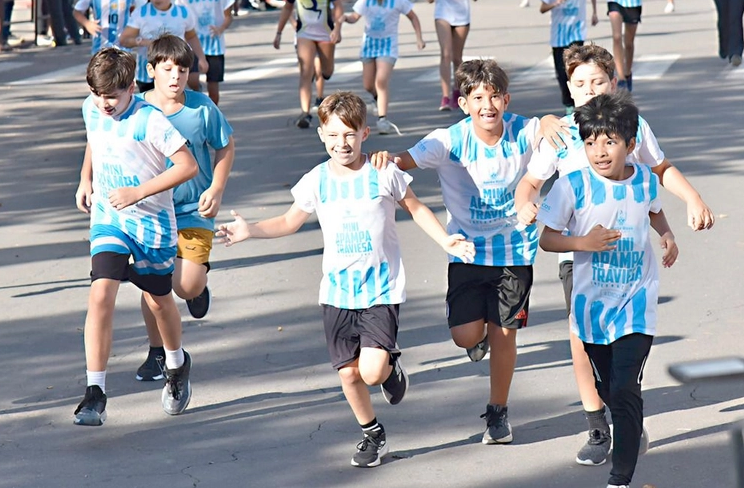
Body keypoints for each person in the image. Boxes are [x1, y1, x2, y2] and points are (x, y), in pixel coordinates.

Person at [216, 92, 474, 467]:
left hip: (380, 289)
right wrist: (250, 230)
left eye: (350, 134)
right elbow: (289, 221)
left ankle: (389, 367)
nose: (342, 143)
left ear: (365, 133)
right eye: (334, 135)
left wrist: (445, 239)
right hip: (336, 293)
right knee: (350, 375)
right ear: (322, 134)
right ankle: (372, 433)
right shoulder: (317, 180)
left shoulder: (383, 172)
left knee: (371, 371)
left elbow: (416, 208)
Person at [514, 43, 713, 467]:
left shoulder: (629, 125)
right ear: (569, 88)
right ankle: (597, 426)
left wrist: (692, 199)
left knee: (624, 341)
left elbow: (659, 170)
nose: (589, 90)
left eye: (598, 82)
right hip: (577, 253)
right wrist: (524, 204)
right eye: (580, 83)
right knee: (582, 340)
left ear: (614, 83)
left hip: (627, 256)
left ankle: (626, 414)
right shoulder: (560, 132)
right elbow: (529, 183)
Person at [381, 60, 547, 445]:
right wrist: (382, 159)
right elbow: (403, 160)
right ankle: (477, 338)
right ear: (463, 103)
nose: (487, 105)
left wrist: (553, 120)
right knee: (464, 335)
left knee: (505, 334)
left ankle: (498, 412)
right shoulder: (449, 140)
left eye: (495, 97)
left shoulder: (523, 130)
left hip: (514, 251)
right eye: (478, 98)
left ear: (506, 100)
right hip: (466, 251)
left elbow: (550, 127)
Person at [538, 92, 678, 488]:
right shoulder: (572, 186)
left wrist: (667, 235)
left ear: (630, 145)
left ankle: (620, 477)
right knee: (607, 389)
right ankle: (627, 422)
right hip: (592, 309)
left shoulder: (644, 179)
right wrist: (583, 243)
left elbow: (654, 210)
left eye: (609, 141)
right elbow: (547, 239)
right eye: (590, 142)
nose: (599, 151)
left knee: (625, 388)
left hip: (636, 302)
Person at [72, 47, 199, 427]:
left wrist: (138, 192)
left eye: (111, 96)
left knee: (159, 301)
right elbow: (95, 139)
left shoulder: (150, 120)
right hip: (109, 218)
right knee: (101, 294)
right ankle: (95, 391)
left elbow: (187, 166)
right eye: (97, 94)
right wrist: (85, 178)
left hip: (151, 224)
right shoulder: (92, 108)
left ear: (131, 88)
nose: (104, 103)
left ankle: (176, 363)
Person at [132, 36, 233, 382]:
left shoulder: (201, 108)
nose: (176, 77)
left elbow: (225, 146)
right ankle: (157, 351)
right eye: (167, 69)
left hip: (193, 209)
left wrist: (216, 188)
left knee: (185, 287)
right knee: (153, 284)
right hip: (150, 211)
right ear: (151, 70)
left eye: (183, 70)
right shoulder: (137, 109)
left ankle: (197, 285)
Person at [343, 0, 425, 135]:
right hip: (369, 45)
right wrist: (345, 18)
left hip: (388, 46)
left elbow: (413, 17)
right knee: (368, 85)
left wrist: (419, 38)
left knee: (381, 81)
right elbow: (354, 17)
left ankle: (383, 119)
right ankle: (376, 98)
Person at [274, 0, 343, 129]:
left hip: (325, 32)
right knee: (305, 71)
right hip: (304, 33)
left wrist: (337, 28)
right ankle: (305, 112)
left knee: (327, 72)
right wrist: (279, 32)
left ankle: (321, 68)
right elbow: (287, 8)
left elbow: (338, 7)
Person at [119, 0, 210, 94]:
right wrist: (144, 42)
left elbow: (191, 36)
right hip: (148, 70)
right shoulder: (141, 13)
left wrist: (202, 58)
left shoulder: (183, 13)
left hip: (176, 66)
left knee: (180, 93)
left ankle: (197, 93)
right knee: (151, 103)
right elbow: (124, 40)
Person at [425, 0, 479, 112]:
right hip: (443, 14)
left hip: (462, 16)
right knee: (445, 54)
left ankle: (457, 91)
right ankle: (445, 96)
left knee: (457, 57)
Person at [539, 0, 597, 113]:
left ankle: (579, 102)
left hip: (577, 32)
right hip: (558, 36)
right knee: (561, 72)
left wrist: (594, 12)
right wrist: (554, 3)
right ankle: (568, 104)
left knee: (576, 68)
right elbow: (542, 8)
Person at [174, 0, 234, 104]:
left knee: (213, 86)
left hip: (214, 45)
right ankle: (198, 93)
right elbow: (178, 15)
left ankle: (213, 112)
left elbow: (228, 16)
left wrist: (220, 28)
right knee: (192, 78)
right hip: (190, 44)